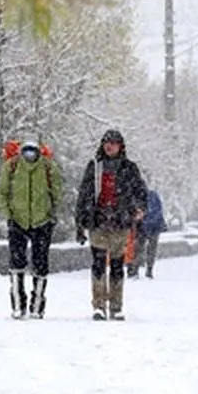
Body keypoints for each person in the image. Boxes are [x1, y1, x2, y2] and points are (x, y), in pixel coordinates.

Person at [74, 128, 147, 320]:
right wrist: (80, 222)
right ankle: (98, 305)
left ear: (120, 146)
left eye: (113, 143)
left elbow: (140, 191)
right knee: (98, 264)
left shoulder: (129, 168)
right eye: (107, 142)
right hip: (98, 222)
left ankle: (116, 305)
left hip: (120, 222)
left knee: (117, 265)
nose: (109, 146)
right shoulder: (95, 167)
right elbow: (84, 195)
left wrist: (139, 209)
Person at [0, 139, 64, 319]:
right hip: (17, 221)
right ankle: (18, 304)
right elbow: (2, 192)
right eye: (26, 152)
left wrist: (51, 216)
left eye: (32, 152)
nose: (29, 155)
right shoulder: (11, 167)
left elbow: (57, 193)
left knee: (41, 263)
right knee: (16, 263)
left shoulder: (49, 169)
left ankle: (37, 305)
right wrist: (9, 215)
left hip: (42, 222)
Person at [125, 187, 168, 279]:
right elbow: (158, 210)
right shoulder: (153, 195)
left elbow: (139, 212)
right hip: (153, 227)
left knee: (139, 248)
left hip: (145, 227)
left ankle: (137, 270)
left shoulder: (139, 197)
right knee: (150, 249)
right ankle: (148, 270)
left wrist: (141, 218)